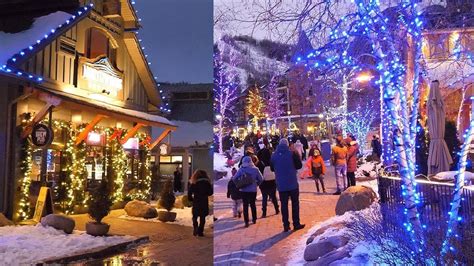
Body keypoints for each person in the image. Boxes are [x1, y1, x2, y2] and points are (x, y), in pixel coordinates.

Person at [270, 138, 305, 232]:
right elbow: (299, 166)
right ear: (287, 145)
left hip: (281, 185)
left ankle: (286, 225)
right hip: (292, 183)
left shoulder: (274, 155)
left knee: (284, 205)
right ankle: (296, 223)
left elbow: (272, 169)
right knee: (295, 204)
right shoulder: (292, 153)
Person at [232, 156, 263, 227]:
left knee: (245, 205)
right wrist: (256, 184)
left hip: (244, 190)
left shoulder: (241, 169)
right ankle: (254, 219)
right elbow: (261, 179)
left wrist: (239, 183)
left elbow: (234, 178)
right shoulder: (255, 169)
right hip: (253, 190)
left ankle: (246, 221)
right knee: (252, 204)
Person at [188, 170, 213, 237]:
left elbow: (190, 191)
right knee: (202, 217)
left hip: (196, 201)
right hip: (204, 201)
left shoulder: (194, 182)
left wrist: (190, 198)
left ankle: (195, 227)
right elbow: (210, 192)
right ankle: (200, 231)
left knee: (195, 216)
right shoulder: (207, 183)